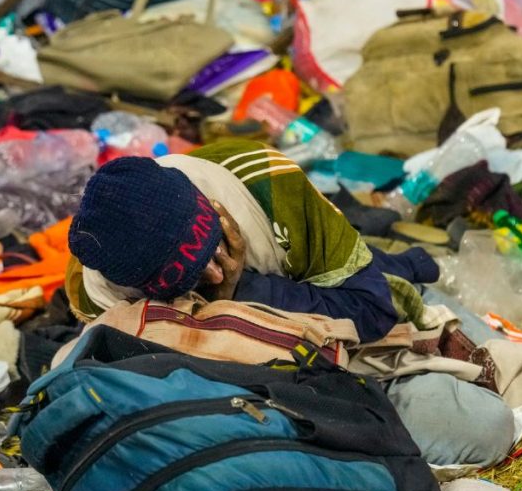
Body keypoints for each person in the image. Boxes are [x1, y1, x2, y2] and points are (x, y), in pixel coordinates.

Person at [65, 139, 439, 342]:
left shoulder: (267, 183)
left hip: (293, 261)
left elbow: (372, 313)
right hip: (261, 292)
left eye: (215, 250)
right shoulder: (100, 285)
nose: (213, 275)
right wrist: (227, 302)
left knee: (373, 277)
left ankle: (394, 262)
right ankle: (395, 260)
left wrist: (246, 289)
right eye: (192, 278)